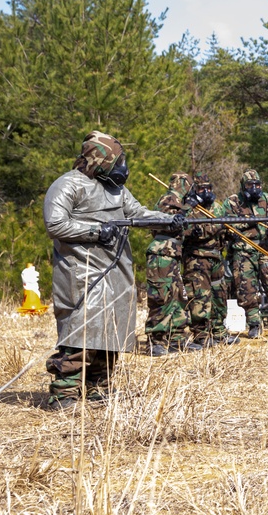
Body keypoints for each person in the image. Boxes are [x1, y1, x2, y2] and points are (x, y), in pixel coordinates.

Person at [43, 130, 180, 410]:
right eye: (117, 161)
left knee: (110, 333)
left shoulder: (115, 189)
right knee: (80, 333)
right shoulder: (68, 185)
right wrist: (96, 231)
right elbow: (55, 224)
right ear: (100, 160)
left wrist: (170, 220)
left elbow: (138, 214)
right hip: (81, 274)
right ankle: (65, 394)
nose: (122, 168)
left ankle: (98, 389)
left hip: (116, 273)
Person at [221, 169, 268, 339]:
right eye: (250, 185)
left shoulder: (267, 199)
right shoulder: (232, 202)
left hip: (265, 248)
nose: (254, 188)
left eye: (257, 185)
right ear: (243, 186)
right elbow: (224, 225)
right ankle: (254, 323)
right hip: (243, 251)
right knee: (247, 290)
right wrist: (244, 226)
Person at [145, 172, 202, 356]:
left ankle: (176, 338)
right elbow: (168, 223)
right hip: (161, 253)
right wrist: (186, 208)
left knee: (178, 297)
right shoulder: (168, 199)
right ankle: (155, 340)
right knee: (161, 297)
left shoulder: (179, 202)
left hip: (173, 253)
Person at [183, 172, 237, 346]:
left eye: (208, 188)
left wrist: (230, 231)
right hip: (197, 258)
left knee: (219, 296)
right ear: (194, 189)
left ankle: (219, 332)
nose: (205, 192)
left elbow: (226, 227)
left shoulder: (218, 207)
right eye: (201, 188)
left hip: (216, 258)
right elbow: (183, 229)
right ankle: (201, 335)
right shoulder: (189, 208)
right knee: (200, 297)